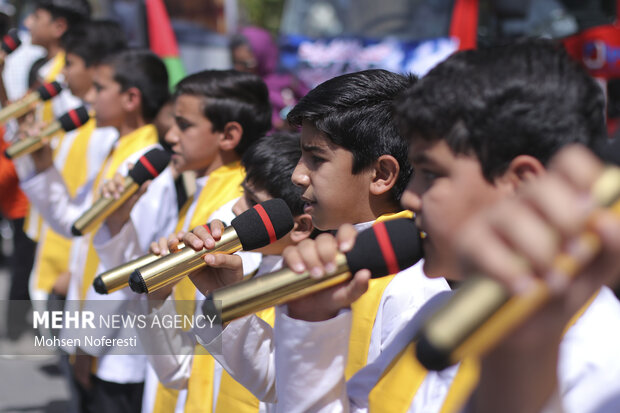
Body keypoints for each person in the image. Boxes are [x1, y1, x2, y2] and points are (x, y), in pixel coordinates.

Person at [276, 40, 620, 412]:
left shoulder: (597, 359)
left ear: (522, 184)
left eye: (432, 174)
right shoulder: (439, 311)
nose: (410, 197)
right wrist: (312, 322)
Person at [182, 69, 450, 411]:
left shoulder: (412, 288)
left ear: (381, 175)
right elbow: (281, 385)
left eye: (316, 159)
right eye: (300, 155)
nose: (297, 174)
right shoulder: (333, 252)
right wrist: (224, 297)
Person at [92, 69, 272, 413]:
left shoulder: (237, 211)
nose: (171, 136)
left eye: (184, 125)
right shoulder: (203, 191)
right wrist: (117, 218)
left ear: (229, 134)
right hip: (173, 367)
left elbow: (221, 326)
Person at [19, 49, 173, 413]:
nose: (89, 97)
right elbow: (76, 222)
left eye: (100, 88)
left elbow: (126, 265)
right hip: (98, 337)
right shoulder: (118, 151)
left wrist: (87, 344)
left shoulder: (146, 168)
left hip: (117, 346)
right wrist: (41, 161)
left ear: (131, 98)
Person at [138, 132, 314, 413]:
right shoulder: (241, 272)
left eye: (252, 202)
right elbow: (181, 372)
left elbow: (275, 385)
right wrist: (158, 299)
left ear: (301, 227)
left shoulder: (309, 304)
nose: (235, 207)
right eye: (242, 192)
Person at [231, 26, 309, 130]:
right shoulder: (239, 89)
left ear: (262, 57)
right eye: (235, 63)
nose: (238, 69)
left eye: (246, 64)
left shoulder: (290, 82)